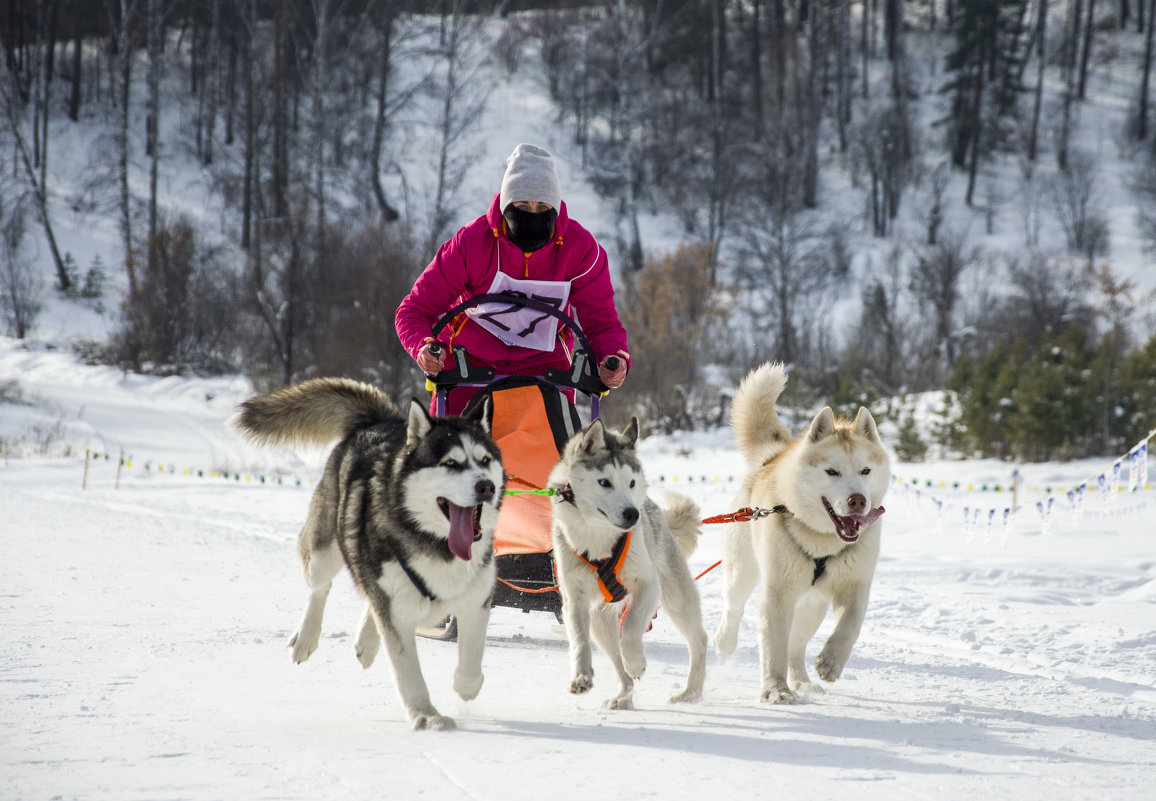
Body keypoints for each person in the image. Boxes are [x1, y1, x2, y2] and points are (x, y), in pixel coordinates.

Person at [396, 143, 630, 414]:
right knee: (448, 450)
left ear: (554, 209)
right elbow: (414, 309)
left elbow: (601, 323)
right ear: (507, 204)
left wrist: (614, 357)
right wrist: (424, 346)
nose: (532, 214)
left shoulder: (581, 251)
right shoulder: (470, 245)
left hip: (546, 371)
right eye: (521, 205)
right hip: (469, 366)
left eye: (542, 206)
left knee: (552, 452)